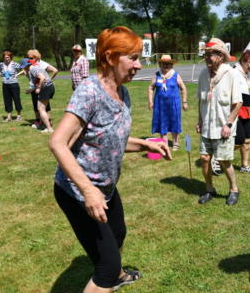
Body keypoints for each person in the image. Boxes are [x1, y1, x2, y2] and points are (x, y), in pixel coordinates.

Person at [49, 26, 172, 293]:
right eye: (133, 58)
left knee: (117, 234)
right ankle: (110, 275)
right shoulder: (89, 92)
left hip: (105, 187)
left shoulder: (123, 92)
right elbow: (58, 142)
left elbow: (110, 140)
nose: (139, 65)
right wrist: (88, 191)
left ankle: (117, 275)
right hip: (78, 192)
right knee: (104, 268)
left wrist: (147, 144)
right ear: (109, 57)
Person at [196, 38, 242, 206]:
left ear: (221, 56)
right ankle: (209, 189)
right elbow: (201, 101)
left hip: (224, 128)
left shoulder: (230, 74)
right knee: (205, 158)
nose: (207, 58)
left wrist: (228, 124)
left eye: (211, 55)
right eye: (206, 55)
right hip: (207, 127)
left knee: (224, 161)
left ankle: (234, 190)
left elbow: (238, 103)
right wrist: (199, 120)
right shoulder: (203, 74)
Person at [147, 54, 188, 150]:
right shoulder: (157, 75)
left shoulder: (176, 75)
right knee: (162, 122)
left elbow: (183, 88)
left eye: (168, 64)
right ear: (160, 64)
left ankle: (175, 142)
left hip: (174, 104)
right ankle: (164, 143)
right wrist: (150, 101)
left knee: (174, 122)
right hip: (160, 105)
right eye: (163, 64)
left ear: (171, 65)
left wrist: (184, 102)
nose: (165, 66)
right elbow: (150, 88)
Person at [233, 49, 250, 173]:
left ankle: (244, 166)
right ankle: (217, 158)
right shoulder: (234, 72)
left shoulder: (245, 75)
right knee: (238, 141)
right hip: (235, 111)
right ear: (243, 60)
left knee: (247, 140)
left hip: (246, 111)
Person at [17, 57, 56, 133]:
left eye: (23, 67)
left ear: (26, 66)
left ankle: (49, 128)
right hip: (49, 87)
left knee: (41, 109)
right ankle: (42, 124)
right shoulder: (35, 67)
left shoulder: (32, 69)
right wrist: (30, 90)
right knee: (42, 108)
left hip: (46, 88)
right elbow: (37, 81)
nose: (23, 69)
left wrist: (38, 88)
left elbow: (42, 78)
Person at [0, 51, 23, 122]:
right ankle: (9, 117)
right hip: (5, 84)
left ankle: (19, 116)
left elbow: (24, 69)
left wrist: (17, 75)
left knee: (16, 99)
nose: (6, 58)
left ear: (11, 57)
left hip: (14, 84)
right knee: (7, 100)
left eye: (8, 57)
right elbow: (1, 72)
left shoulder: (15, 64)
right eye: (5, 57)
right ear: (3, 57)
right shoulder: (1, 64)